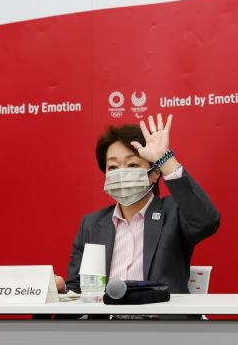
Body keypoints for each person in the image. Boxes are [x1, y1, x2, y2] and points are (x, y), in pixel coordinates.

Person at [54, 113, 220, 294]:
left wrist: (165, 159)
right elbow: (77, 288)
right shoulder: (91, 224)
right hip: (105, 313)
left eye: (132, 165)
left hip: (159, 312)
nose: (121, 173)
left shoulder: (174, 212)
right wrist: (62, 289)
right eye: (113, 167)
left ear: (154, 173)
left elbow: (206, 221)